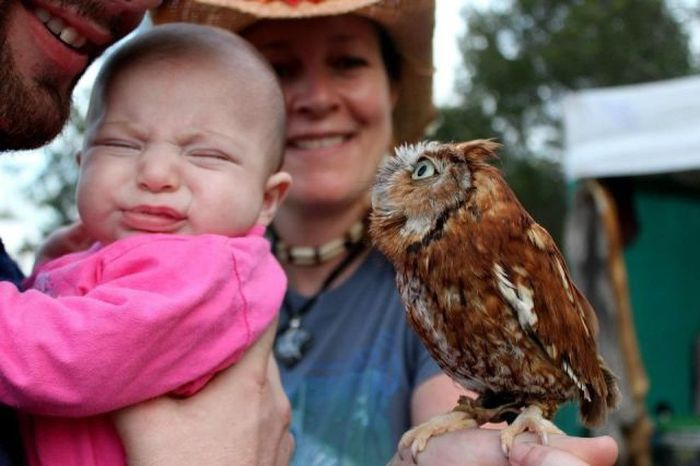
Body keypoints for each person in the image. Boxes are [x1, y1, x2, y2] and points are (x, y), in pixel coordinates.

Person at [151, 0, 618, 465]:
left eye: (347, 63)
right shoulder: (178, 266)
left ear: (393, 87)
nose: (318, 97)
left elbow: (462, 407)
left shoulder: (449, 260)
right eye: (280, 69)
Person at [1, 1, 292, 462]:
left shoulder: (210, 271)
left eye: (206, 155)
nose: (156, 173)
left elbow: (71, 357)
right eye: (120, 144)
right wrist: (55, 271)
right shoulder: (136, 260)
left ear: (268, 199)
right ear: (83, 164)